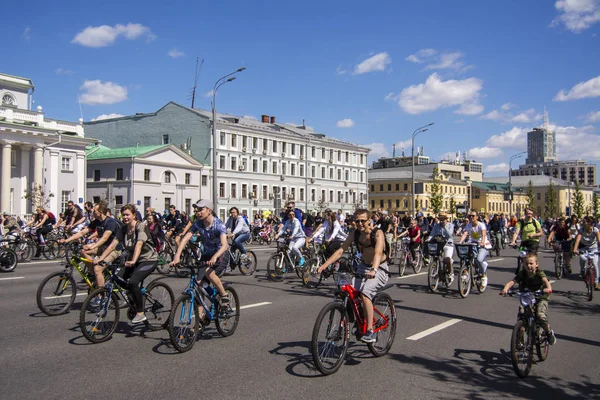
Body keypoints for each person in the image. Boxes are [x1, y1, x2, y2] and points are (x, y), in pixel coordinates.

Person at [316, 208, 389, 343]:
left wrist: (373, 269)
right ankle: (357, 319)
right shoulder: (354, 234)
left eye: (363, 221)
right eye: (357, 221)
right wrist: (324, 266)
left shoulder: (377, 233)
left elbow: (378, 253)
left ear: (369, 221)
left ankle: (370, 331)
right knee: (346, 290)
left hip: (379, 269)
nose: (360, 224)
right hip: (363, 267)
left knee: (365, 293)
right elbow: (340, 250)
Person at [170, 200, 230, 307]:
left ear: (209, 211)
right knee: (199, 285)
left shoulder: (219, 224)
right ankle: (201, 319)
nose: (198, 212)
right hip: (206, 255)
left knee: (209, 273)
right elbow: (185, 239)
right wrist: (177, 256)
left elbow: (224, 245)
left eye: (201, 209)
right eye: (197, 210)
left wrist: (215, 257)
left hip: (220, 254)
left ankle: (224, 296)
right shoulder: (198, 223)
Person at [62, 201, 123, 298]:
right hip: (102, 247)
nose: (92, 212)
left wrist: (92, 246)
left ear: (100, 212)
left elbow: (104, 238)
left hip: (114, 249)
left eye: (94, 211)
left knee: (98, 268)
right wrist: (66, 240)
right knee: (82, 251)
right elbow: (82, 232)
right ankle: (93, 273)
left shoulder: (110, 222)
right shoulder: (96, 221)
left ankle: (101, 296)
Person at [499, 253, 556, 345]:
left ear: (536, 264)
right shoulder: (522, 274)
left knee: (541, 316)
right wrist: (505, 289)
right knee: (522, 316)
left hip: (540, 297)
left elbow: (546, 281)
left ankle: (549, 332)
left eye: (531, 263)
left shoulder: (539, 273)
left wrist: (548, 288)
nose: (528, 266)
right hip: (527, 296)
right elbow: (512, 282)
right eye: (526, 264)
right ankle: (519, 341)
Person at [119, 204, 158, 323]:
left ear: (134, 215)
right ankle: (134, 299)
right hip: (134, 259)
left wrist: (134, 260)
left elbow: (139, 244)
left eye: (127, 215)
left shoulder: (141, 226)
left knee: (133, 281)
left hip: (149, 259)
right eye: (123, 215)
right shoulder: (124, 228)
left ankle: (140, 312)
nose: (125, 217)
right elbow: (113, 243)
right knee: (118, 278)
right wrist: (102, 258)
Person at [459, 211, 491, 290]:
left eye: (473, 216)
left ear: (477, 217)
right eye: (470, 216)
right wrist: (460, 241)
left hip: (483, 245)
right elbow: (465, 234)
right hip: (473, 244)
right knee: (467, 258)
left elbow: (484, 235)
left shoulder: (481, 225)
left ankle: (483, 275)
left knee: (479, 259)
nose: (471, 217)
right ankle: (466, 272)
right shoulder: (469, 225)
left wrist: (482, 242)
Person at [572, 216, 600, 290]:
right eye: (584, 222)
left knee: (595, 263)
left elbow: (599, 240)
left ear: (590, 223)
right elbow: (578, 239)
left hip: (594, 249)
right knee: (582, 258)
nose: (584, 223)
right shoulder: (581, 230)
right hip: (584, 248)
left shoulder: (595, 230)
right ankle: (582, 271)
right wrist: (575, 249)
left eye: (586, 222)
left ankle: (596, 282)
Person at [427, 212, 455, 283]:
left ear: (446, 219)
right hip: (439, 243)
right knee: (434, 255)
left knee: (447, 259)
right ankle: (436, 268)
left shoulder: (450, 225)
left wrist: (444, 226)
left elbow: (450, 234)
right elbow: (432, 234)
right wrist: (428, 239)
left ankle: (450, 273)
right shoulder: (436, 226)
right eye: (440, 219)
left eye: (443, 219)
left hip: (448, 244)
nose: (441, 221)